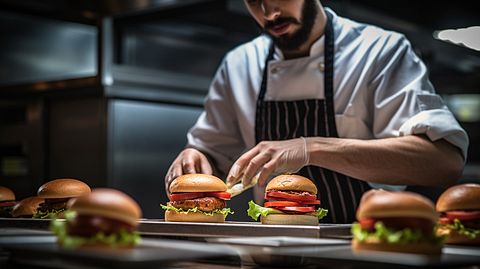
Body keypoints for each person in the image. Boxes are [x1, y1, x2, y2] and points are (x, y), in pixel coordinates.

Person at [165, 0, 468, 223]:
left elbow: (443, 162)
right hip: (269, 249)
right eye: (253, 2)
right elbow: (212, 158)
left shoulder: (381, 51)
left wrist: (310, 148)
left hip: (367, 247)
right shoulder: (238, 65)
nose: (269, 13)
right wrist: (195, 158)